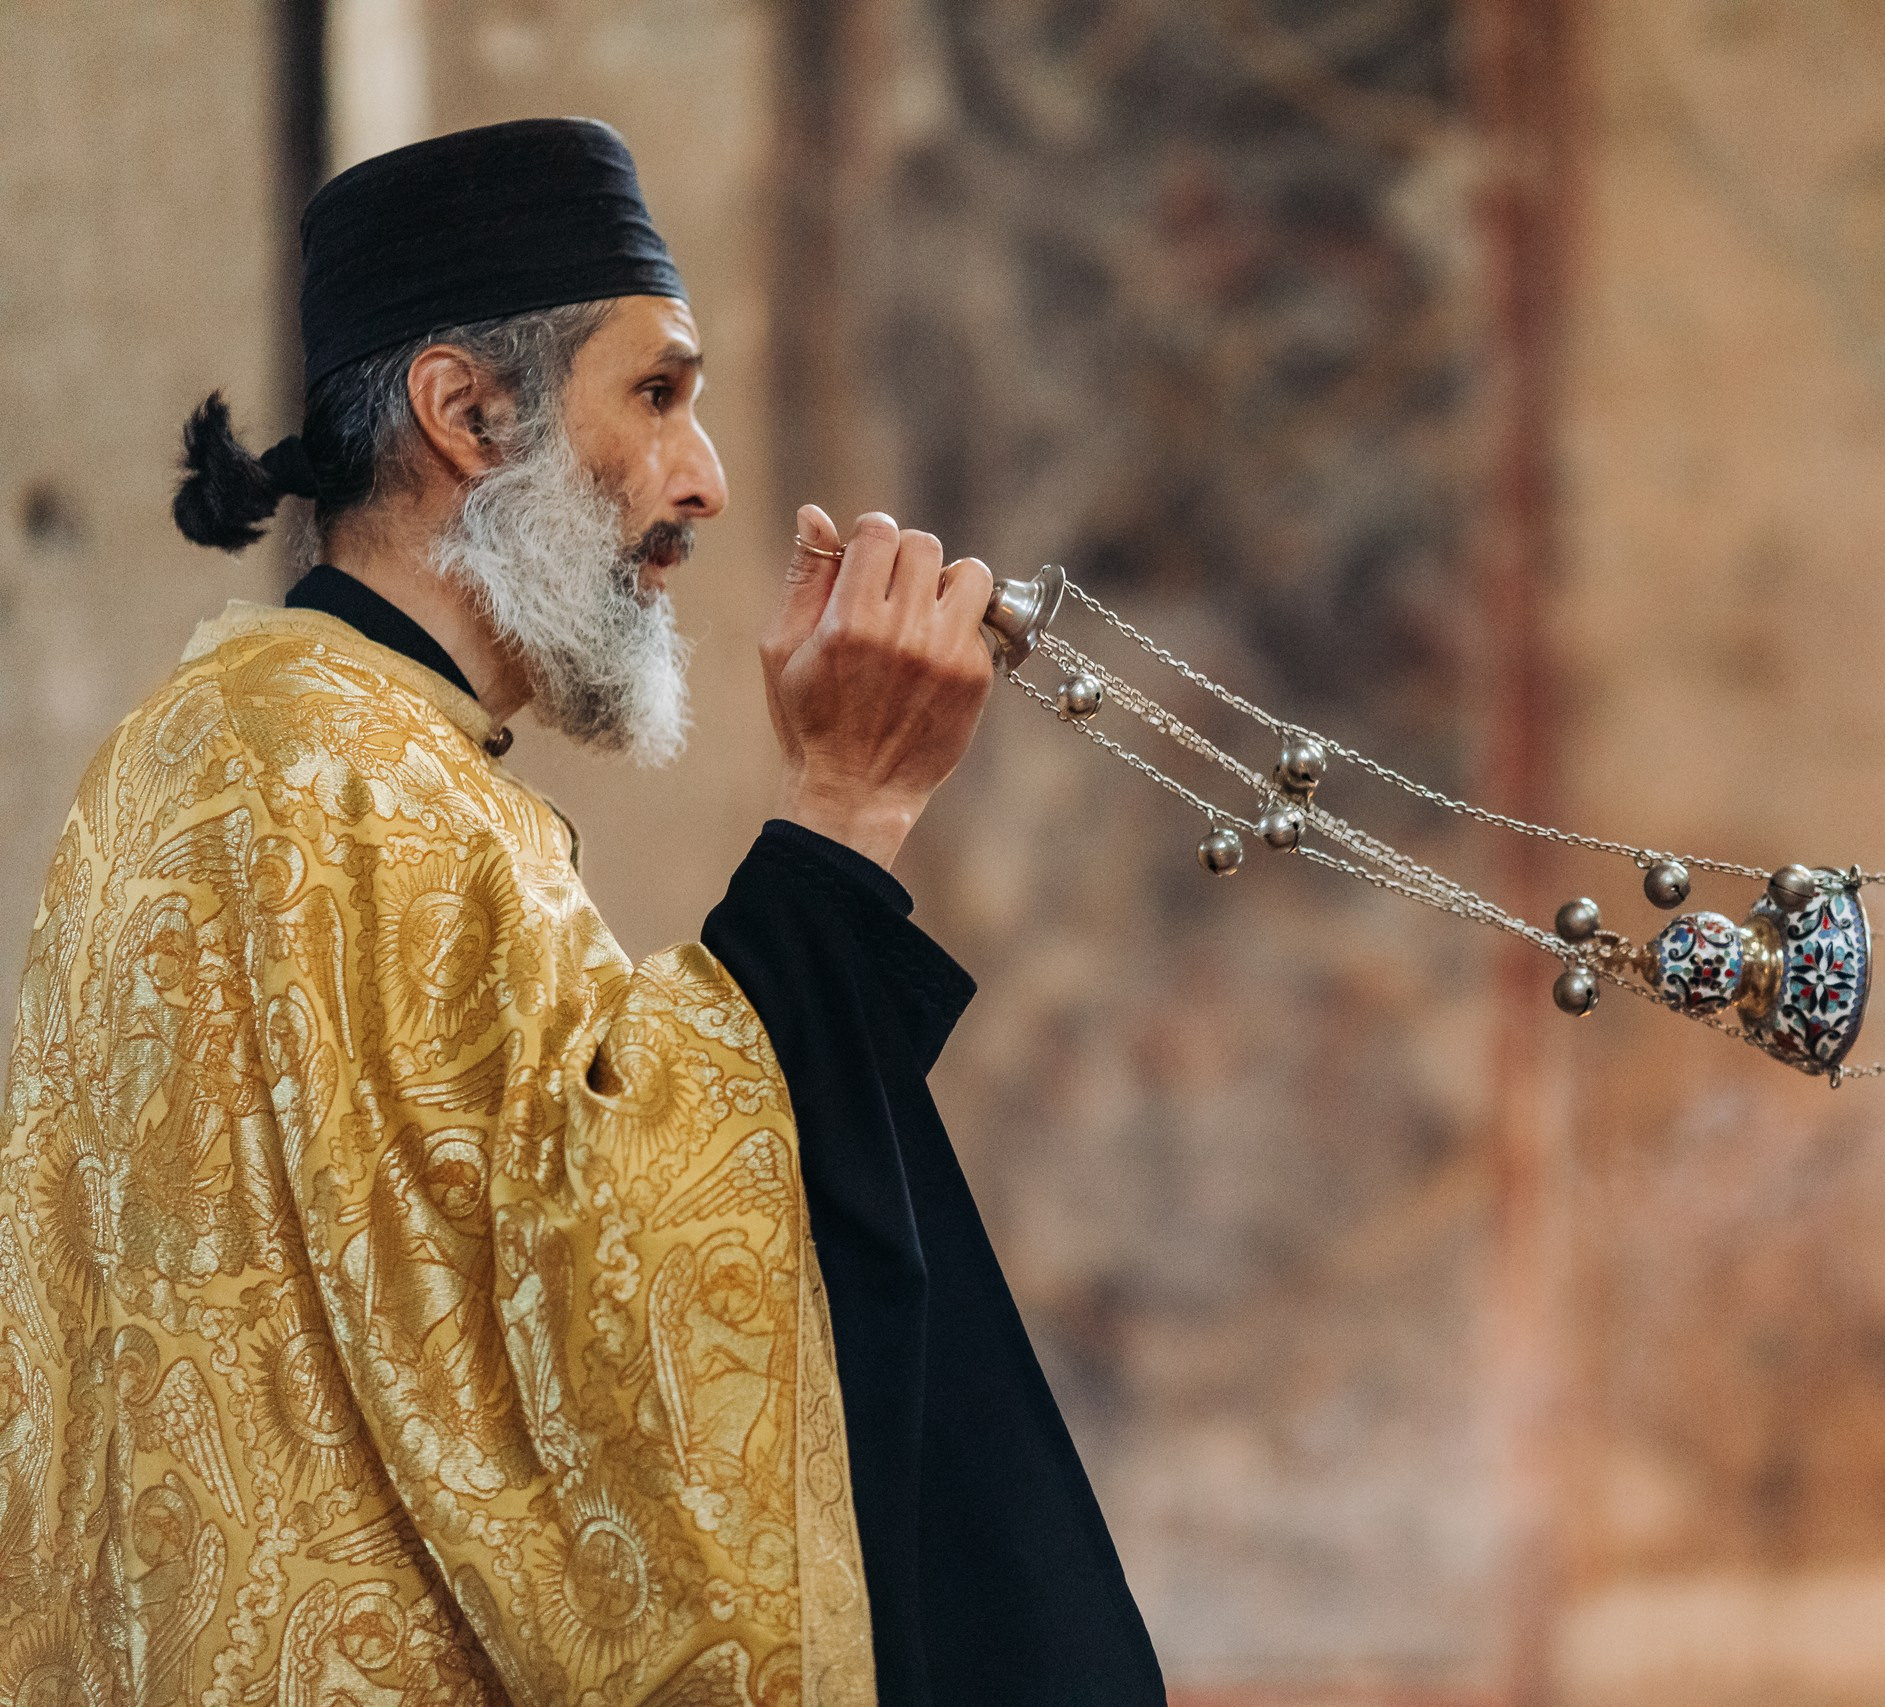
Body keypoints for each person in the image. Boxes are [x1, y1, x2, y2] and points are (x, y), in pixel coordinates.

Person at [0, 117, 1164, 1706]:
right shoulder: (350, 780)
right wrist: (846, 813)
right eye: (661, 394)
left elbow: (460, 1291)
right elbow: (604, 1321)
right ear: (469, 414)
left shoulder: (245, 743)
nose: (708, 480)